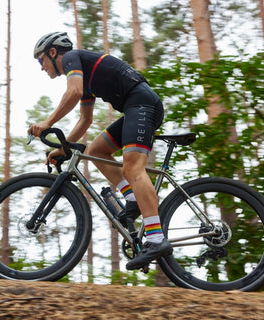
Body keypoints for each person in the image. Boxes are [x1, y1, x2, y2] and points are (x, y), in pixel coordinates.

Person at [27, 32, 172, 270]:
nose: (41, 67)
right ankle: (133, 199)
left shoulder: (72, 57)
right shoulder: (81, 77)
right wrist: (64, 148)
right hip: (135, 106)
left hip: (143, 103)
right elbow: (85, 120)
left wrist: (47, 123)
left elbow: (72, 93)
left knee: (132, 167)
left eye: (40, 60)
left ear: (53, 53)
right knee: (95, 151)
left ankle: (156, 240)